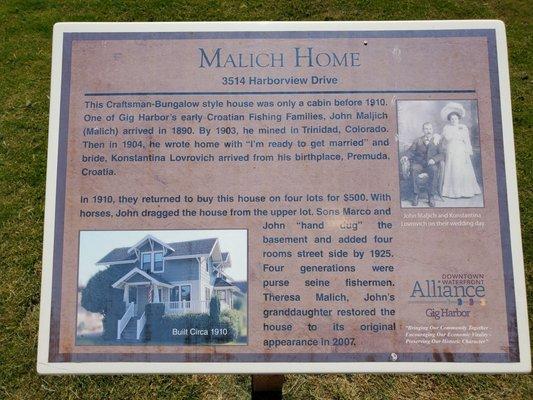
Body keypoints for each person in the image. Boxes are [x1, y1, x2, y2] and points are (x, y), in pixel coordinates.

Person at [440, 102, 482, 198]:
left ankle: (465, 191)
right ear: (449, 120)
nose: (453, 120)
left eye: (455, 118)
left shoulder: (464, 127)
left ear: (458, 119)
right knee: (453, 168)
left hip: (461, 150)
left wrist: (468, 151)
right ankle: (452, 192)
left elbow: (467, 140)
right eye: (451, 119)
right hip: (451, 149)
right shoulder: (447, 128)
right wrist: (455, 130)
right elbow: (447, 138)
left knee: (463, 168)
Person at [400, 122, 444, 207]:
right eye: (426, 129)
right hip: (419, 163)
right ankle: (416, 194)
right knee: (413, 169)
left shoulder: (437, 141)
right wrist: (406, 156)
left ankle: (431, 196)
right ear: (423, 130)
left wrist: (434, 159)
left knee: (434, 170)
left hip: (431, 164)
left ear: (432, 129)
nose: (428, 131)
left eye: (430, 129)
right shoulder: (418, 140)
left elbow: (442, 154)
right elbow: (411, 151)